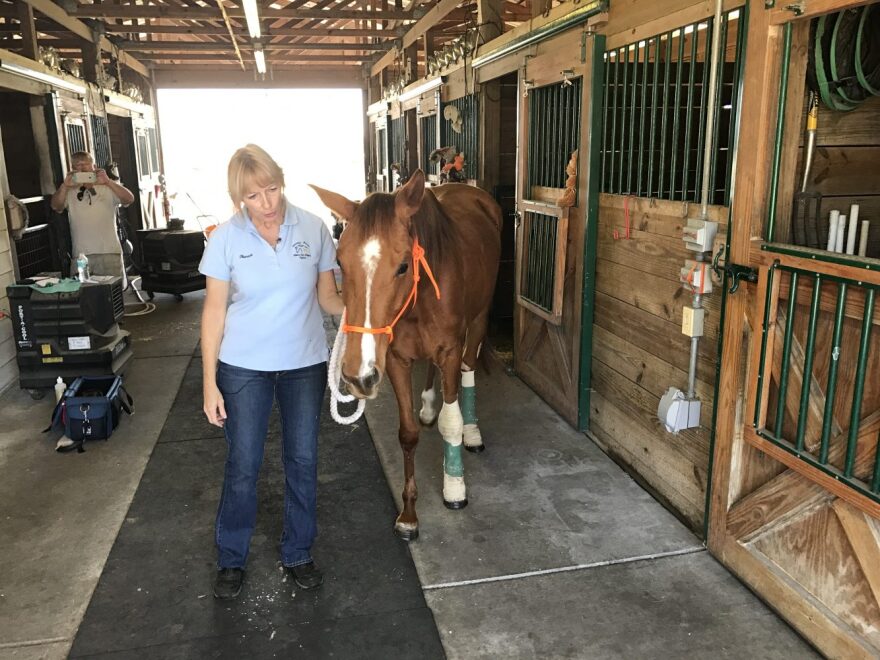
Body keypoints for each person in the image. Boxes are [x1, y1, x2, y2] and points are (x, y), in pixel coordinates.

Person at [199, 144, 344, 600]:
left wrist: (365, 317)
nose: (267, 203)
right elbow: (214, 313)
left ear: (282, 180)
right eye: (254, 196)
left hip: (304, 365)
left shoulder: (315, 228)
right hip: (243, 369)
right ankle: (231, 558)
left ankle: (298, 551)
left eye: (272, 189)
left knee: (303, 461)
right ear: (238, 198)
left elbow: (328, 298)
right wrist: (209, 384)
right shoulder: (225, 238)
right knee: (244, 464)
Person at [50, 151, 135, 279]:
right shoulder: (69, 190)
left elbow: (129, 199)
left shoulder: (108, 186)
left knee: (113, 294)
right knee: (84, 295)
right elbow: (56, 206)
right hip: (81, 254)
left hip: (110, 251)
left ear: (94, 167)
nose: (83, 168)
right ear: (73, 170)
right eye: (77, 166)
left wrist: (108, 182)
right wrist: (65, 186)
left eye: (86, 164)